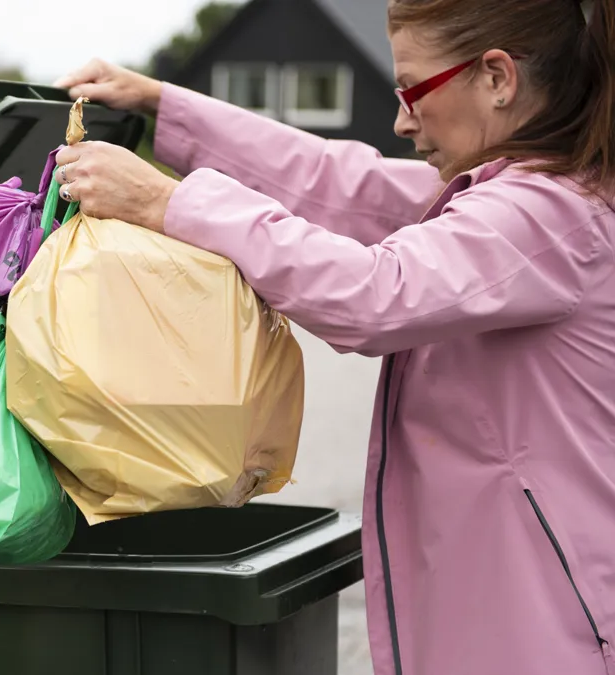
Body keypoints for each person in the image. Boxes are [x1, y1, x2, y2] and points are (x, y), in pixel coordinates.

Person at [51, 1, 615, 674]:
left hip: (542, 638)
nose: (402, 120)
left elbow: (373, 293)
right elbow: (342, 184)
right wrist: (167, 107)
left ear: (497, 77)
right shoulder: (512, 196)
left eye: (412, 90)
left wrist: (165, 203)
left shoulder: (550, 216)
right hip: (507, 618)